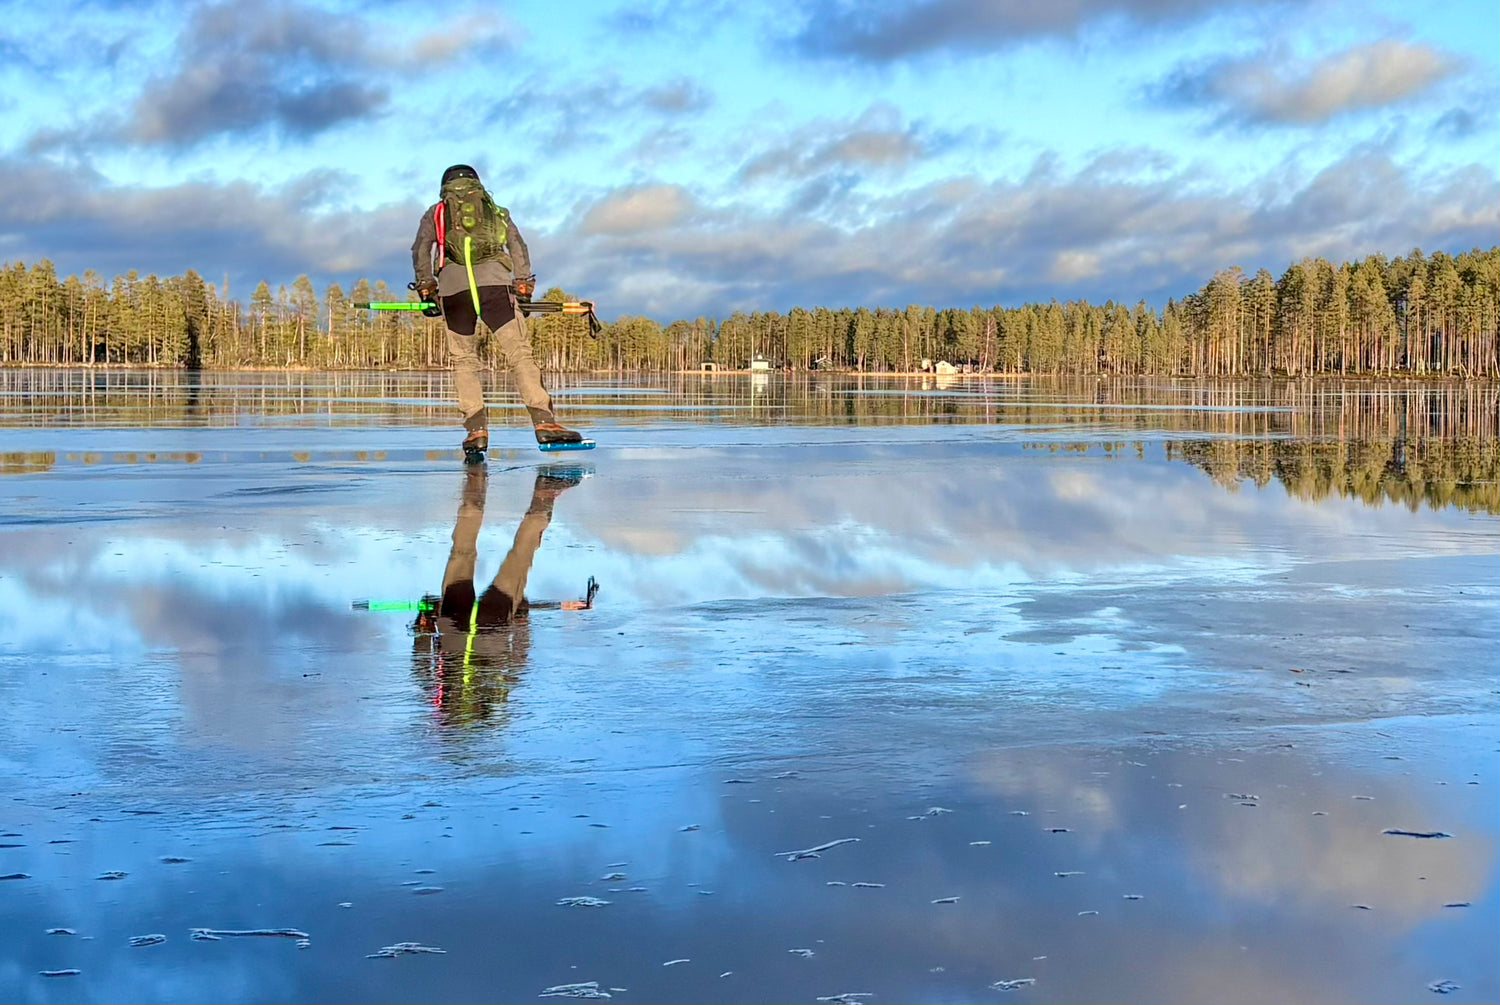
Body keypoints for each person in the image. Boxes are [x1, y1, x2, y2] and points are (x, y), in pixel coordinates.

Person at [411, 164, 585, 459]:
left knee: (464, 359)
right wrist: (523, 285)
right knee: (519, 353)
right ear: (478, 185)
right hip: (494, 287)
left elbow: (420, 249)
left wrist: (427, 287)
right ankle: (544, 423)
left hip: (454, 291)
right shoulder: (497, 211)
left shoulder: (437, 212)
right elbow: (517, 246)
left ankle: (476, 430)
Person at [411, 464, 595, 727]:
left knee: (519, 557)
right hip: (457, 623)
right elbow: (422, 665)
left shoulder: (491, 698)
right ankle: (475, 486)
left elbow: (516, 663)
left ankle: (544, 492)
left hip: (488, 626)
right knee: (464, 551)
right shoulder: (454, 702)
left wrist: (521, 624)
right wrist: (423, 625)